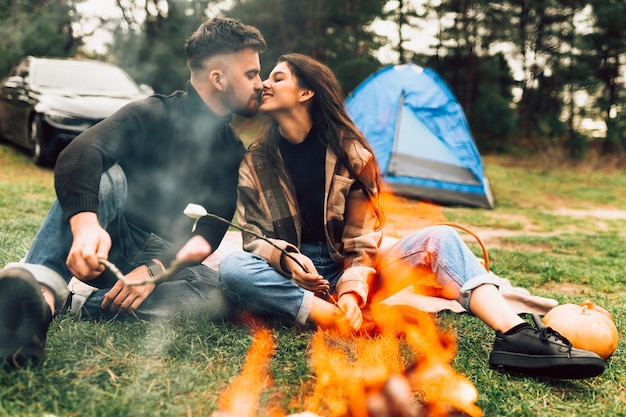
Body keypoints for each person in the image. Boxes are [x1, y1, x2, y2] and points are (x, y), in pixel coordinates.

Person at [217, 53, 606, 380]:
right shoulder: (256, 159)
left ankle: (515, 335)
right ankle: (331, 318)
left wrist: (352, 290)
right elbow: (252, 235)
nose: (264, 83)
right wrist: (286, 258)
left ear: (306, 91)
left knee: (441, 238)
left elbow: (363, 239)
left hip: (352, 268)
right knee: (234, 267)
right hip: (295, 278)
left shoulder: (352, 153)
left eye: (276, 76)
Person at [0, 17, 266, 367]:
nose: (261, 84)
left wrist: (157, 270)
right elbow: (80, 153)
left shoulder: (231, 147)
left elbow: (211, 230)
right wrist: (86, 226)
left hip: (156, 254)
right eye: (252, 74)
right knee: (109, 176)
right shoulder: (153, 113)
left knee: (219, 294)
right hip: (105, 242)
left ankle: (72, 303)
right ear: (218, 78)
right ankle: (38, 302)